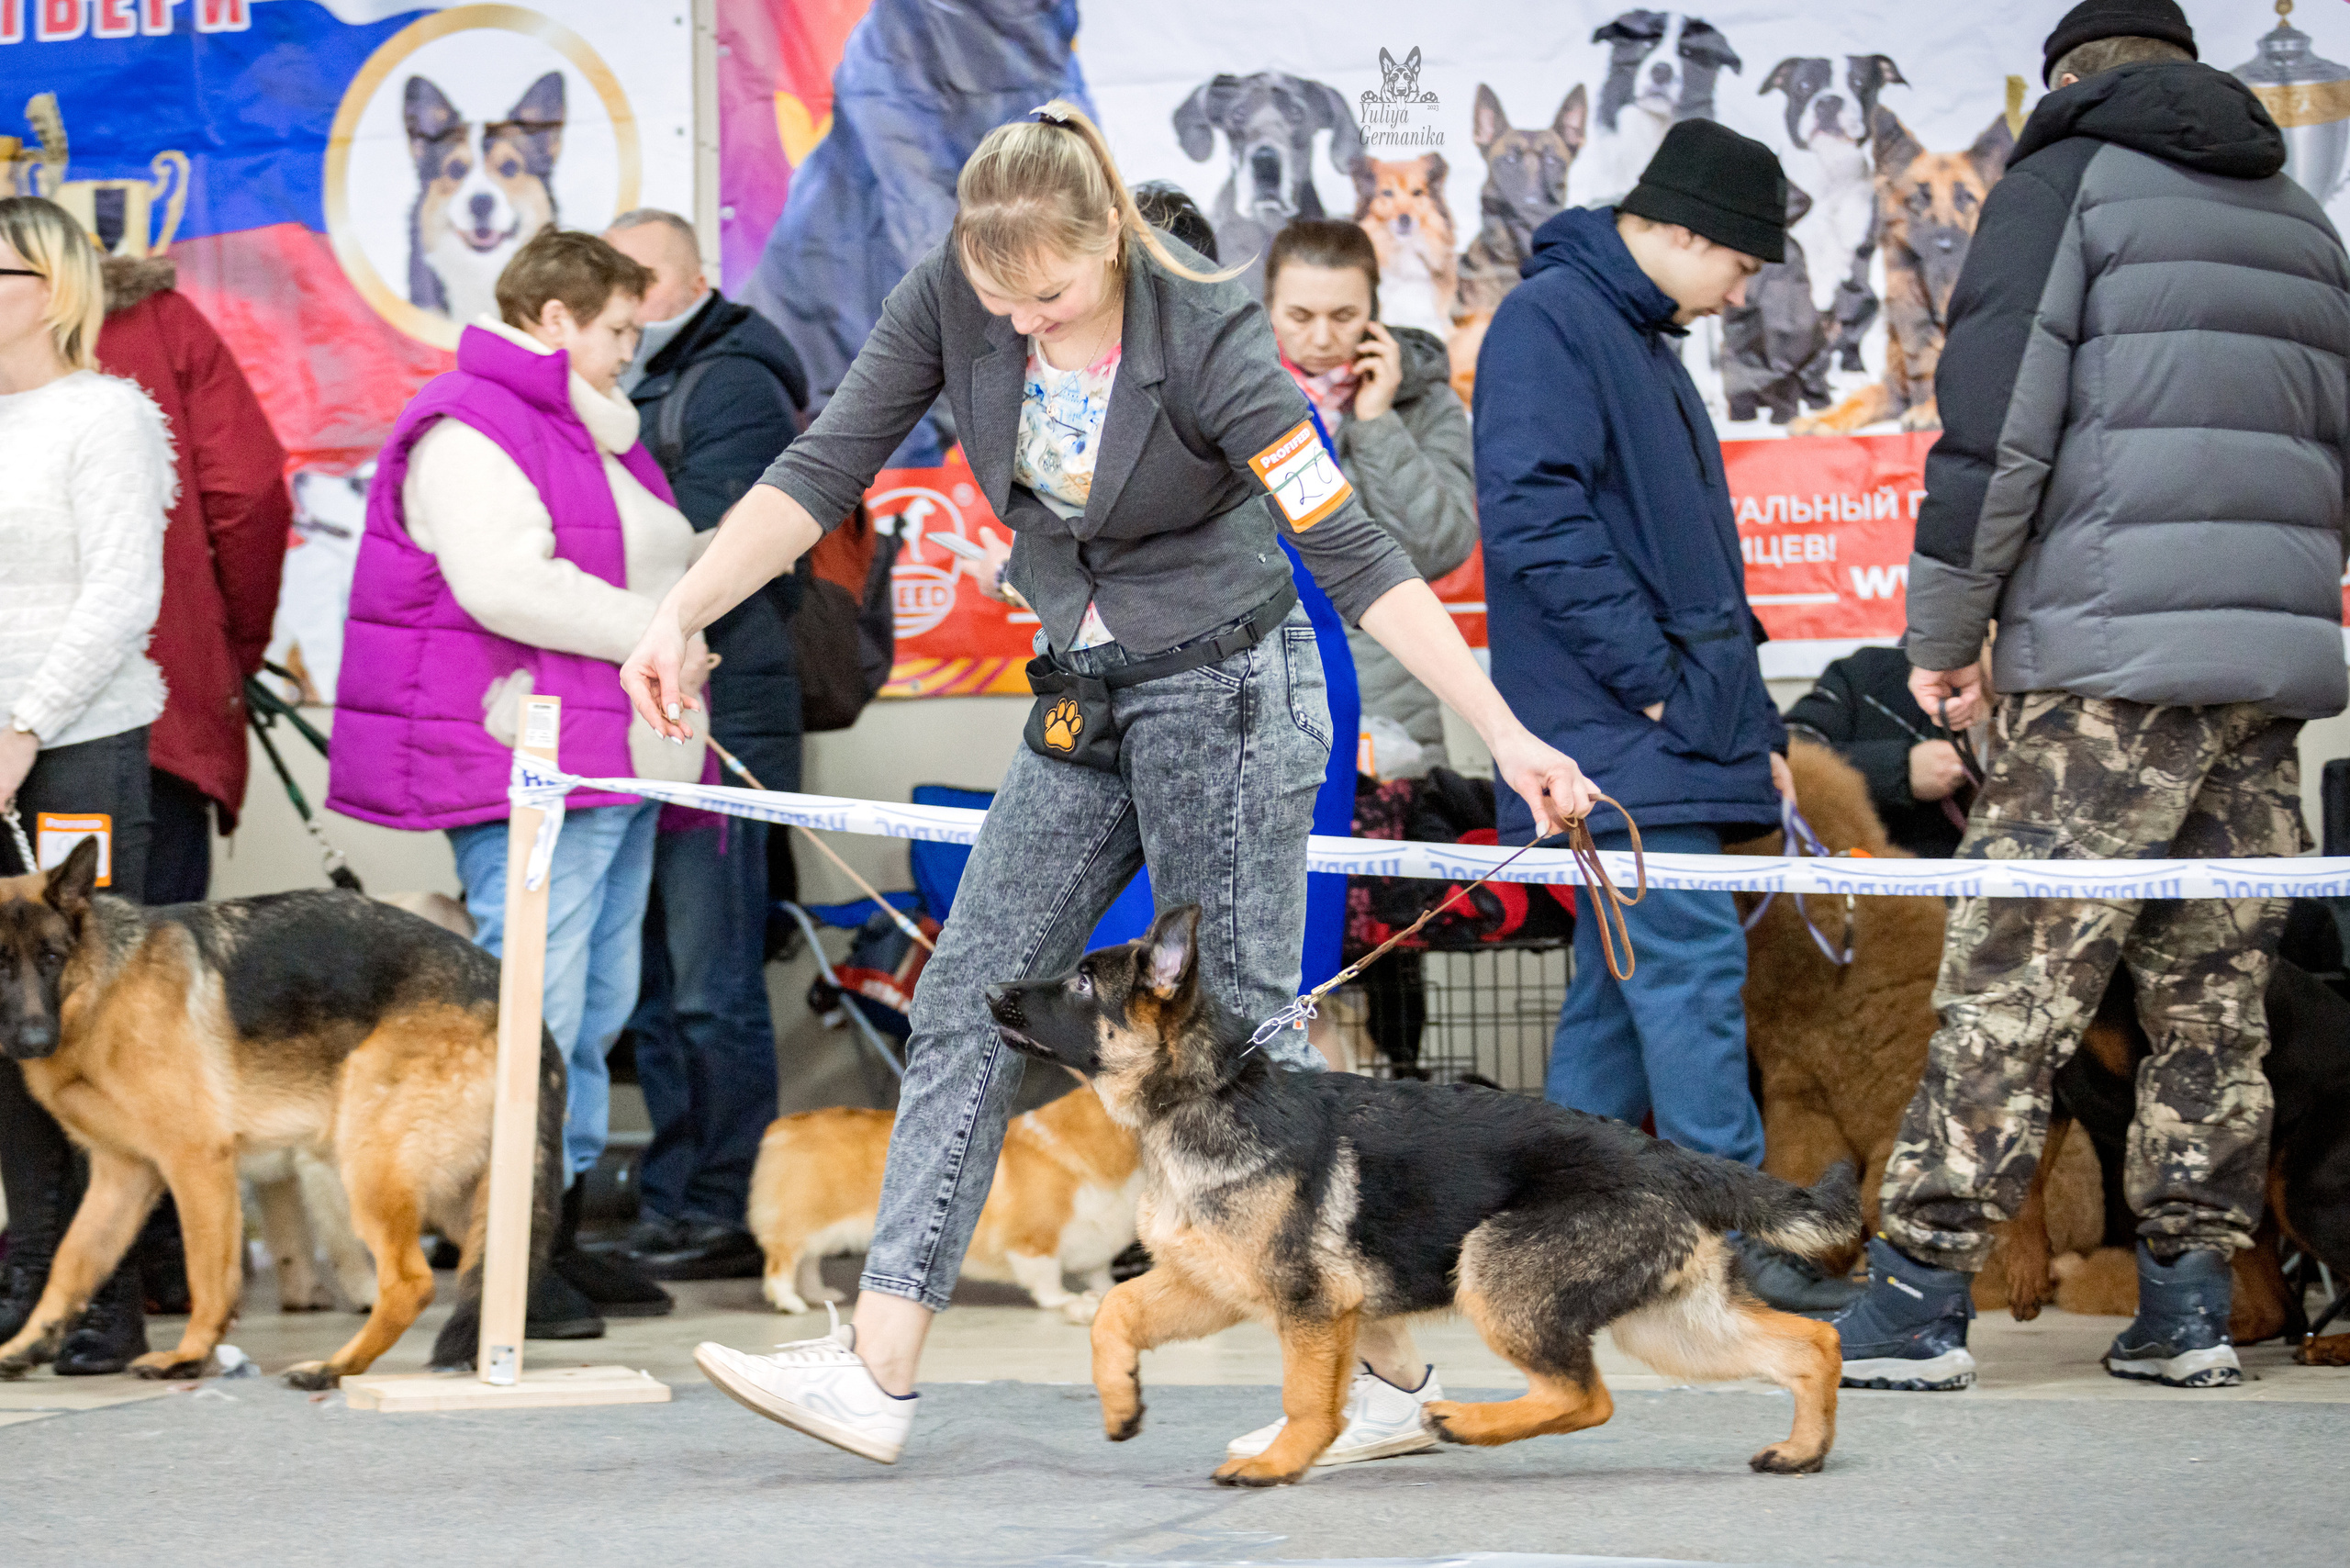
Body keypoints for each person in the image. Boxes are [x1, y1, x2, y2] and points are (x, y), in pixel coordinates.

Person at [624, 101, 1599, 1468]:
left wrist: (1503, 727)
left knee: (1244, 1041)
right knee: (970, 997)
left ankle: (1381, 1379)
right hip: (1082, 694)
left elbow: (1358, 550)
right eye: (993, 295)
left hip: (1235, 692)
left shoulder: (1204, 327)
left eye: (1050, 296)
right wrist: (689, 612)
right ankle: (877, 1370)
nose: (1019, 323)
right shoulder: (955, 295)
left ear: (1112, 243)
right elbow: (822, 464)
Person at [1830, 1, 2350, 1394]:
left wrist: (1942, 637)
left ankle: (1918, 1295)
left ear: (2065, 81)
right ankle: (2187, 1306)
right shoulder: (2302, 218)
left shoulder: (2062, 184)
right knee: (2215, 1003)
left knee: (2013, 983)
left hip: (2107, 677)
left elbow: (1992, 434)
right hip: (2264, 684)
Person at [325, 229, 716, 1326]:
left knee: (593, 1005)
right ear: (555, 319)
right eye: (617, 331)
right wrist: (661, 627)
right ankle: (496, 1255)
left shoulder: (585, 428)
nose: (630, 355)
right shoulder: (469, 424)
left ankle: (553, 1223)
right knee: (529, 999)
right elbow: (505, 584)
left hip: (608, 744)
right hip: (525, 745)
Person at [599, 208, 808, 1281]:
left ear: (697, 280)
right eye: (612, 279)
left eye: (646, 277)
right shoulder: (618, 383)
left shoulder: (729, 380)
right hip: (649, 693)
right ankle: (673, 1195)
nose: (626, 299)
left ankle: (724, 1205)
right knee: (649, 979)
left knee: (712, 977)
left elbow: (715, 537)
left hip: (731, 695)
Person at [0, 196, 173, 1374]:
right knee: (3, 1028)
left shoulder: (105, 416)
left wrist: (24, 723)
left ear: (53, 287)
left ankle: (106, 1289)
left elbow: (123, 594)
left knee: (94, 1023)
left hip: (74, 748)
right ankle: (31, 1272)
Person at [93, 255, 291, 903]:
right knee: (150, 974)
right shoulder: (158, 320)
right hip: (157, 708)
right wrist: (230, 649)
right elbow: (250, 495)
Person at [1265, 219, 1476, 779]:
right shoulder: (1232, 402)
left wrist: (1377, 420)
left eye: (1344, 316)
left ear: (1374, 312)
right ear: (1267, 309)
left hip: (1390, 705)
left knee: (1382, 865)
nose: (1321, 337)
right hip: (1261, 696)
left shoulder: (1424, 401)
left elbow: (1439, 547)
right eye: (1300, 316)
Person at [1783, 644, 1973, 858]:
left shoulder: (2013, 709)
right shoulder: (1868, 673)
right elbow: (1788, 757)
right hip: (1861, 878)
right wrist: (1901, 770)